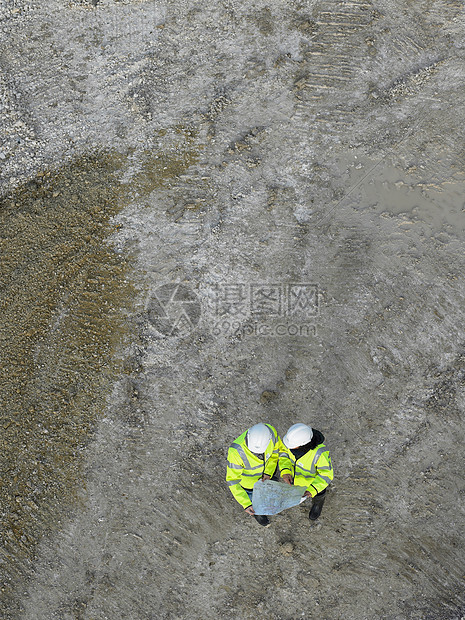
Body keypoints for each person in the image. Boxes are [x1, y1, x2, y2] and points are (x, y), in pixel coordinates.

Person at [226, 422, 284, 527]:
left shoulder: (271, 432)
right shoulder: (236, 452)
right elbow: (232, 480)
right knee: (256, 503)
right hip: (249, 485)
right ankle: (258, 514)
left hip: (265, 476)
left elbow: (275, 454)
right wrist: (246, 503)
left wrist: (268, 473)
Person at [279, 423, 333, 520]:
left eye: (292, 446)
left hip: (314, 484)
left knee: (319, 494)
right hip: (296, 481)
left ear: (303, 444)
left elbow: (326, 475)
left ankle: (318, 504)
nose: (289, 447)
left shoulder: (319, 453)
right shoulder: (290, 442)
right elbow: (283, 455)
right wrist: (285, 471)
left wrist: (313, 490)